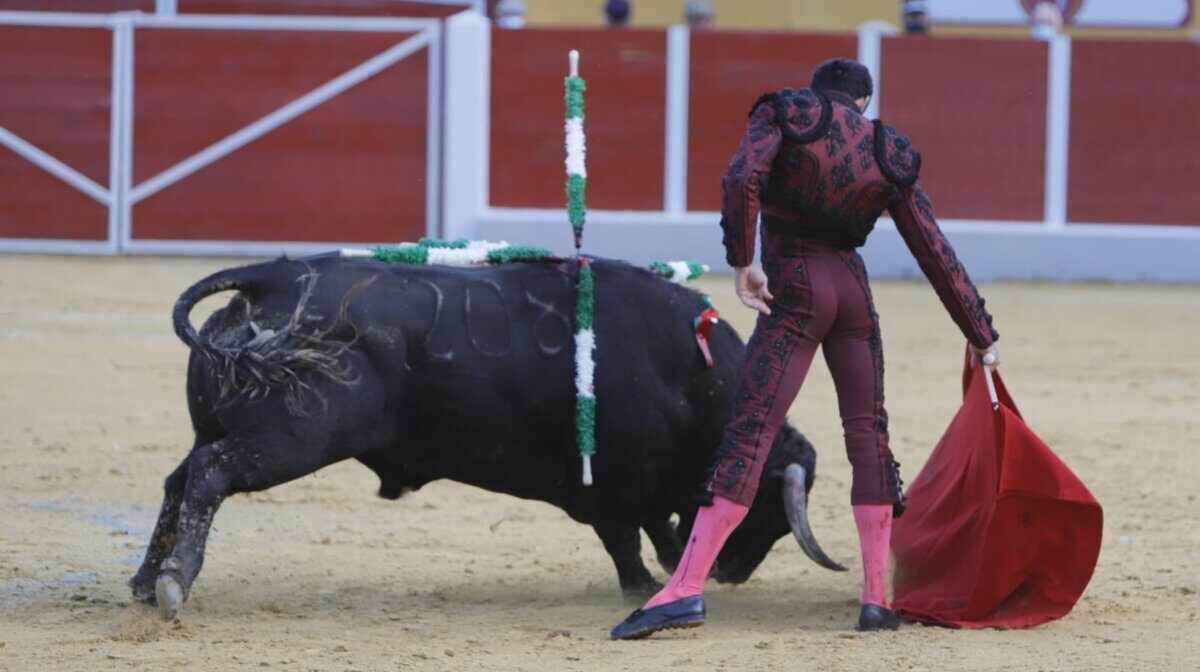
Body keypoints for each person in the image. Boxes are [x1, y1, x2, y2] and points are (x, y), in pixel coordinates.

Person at [610, 58, 1000, 639]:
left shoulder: (787, 113)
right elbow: (933, 249)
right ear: (863, 103)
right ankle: (876, 599)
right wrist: (980, 333)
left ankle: (685, 588)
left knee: (751, 434)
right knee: (870, 438)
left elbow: (743, 177)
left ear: (820, 95)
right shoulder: (886, 148)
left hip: (794, 284)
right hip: (852, 294)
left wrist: (744, 262)